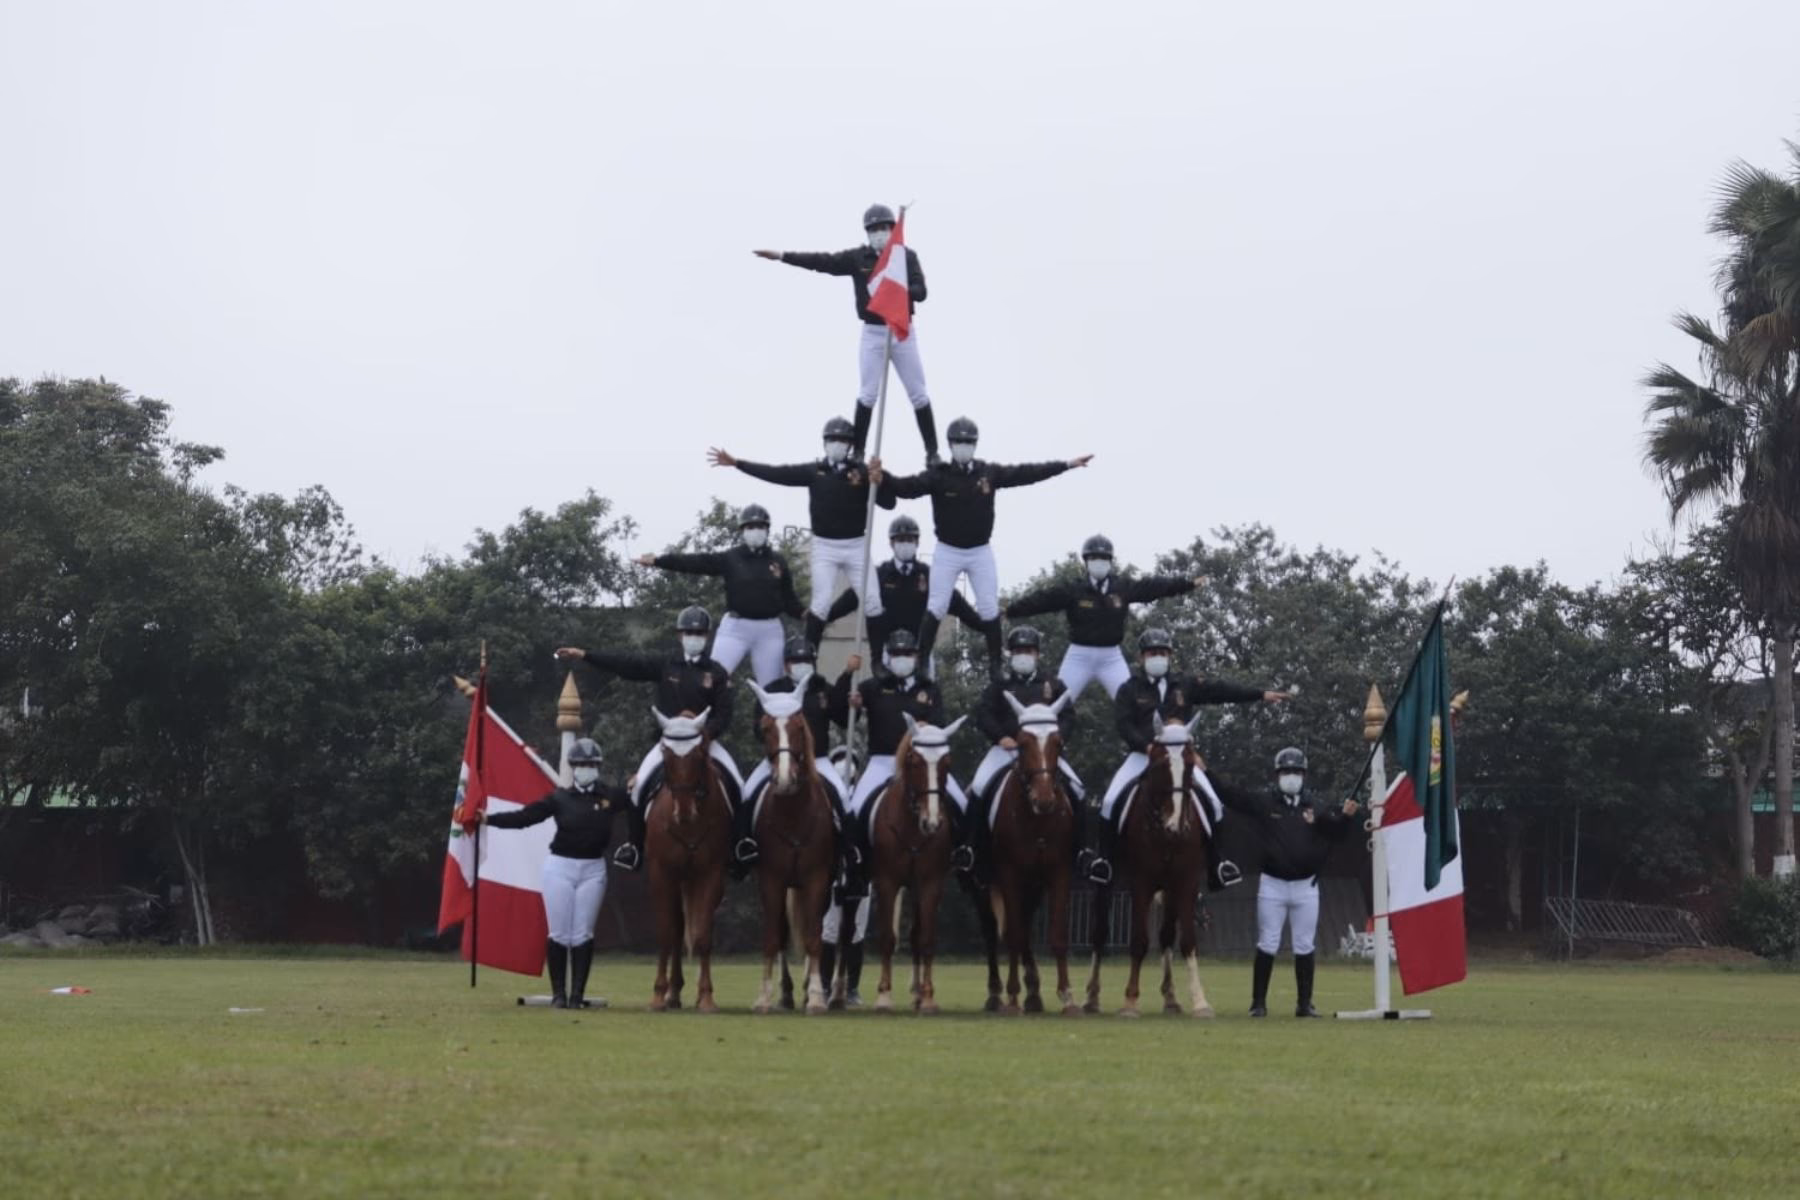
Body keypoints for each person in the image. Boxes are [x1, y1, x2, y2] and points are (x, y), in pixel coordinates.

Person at [875, 417, 1092, 675]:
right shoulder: (940, 475)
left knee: (989, 607)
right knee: (937, 605)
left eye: (968, 442)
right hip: (948, 550)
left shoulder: (988, 473)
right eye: (959, 442)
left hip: (979, 550)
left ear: (975, 445)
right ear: (950, 445)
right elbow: (906, 488)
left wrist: (1066, 465)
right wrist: (883, 476)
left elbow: (1026, 474)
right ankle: (922, 660)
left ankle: (996, 665)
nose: (963, 447)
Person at [1088, 628, 1290, 886]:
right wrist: (1146, 746)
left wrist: (1260, 694)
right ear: (1141, 658)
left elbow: (1221, 690)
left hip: (1180, 758)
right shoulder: (1129, 688)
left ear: (1170, 656)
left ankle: (1219, 862)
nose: (1158, 657)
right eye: (1152, 653)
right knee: (1109, 801)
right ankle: (1104, 861)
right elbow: (1124, 725)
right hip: (1144, 755)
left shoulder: (1184, 684)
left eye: (1162, 653)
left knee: (1214, 804)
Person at [554, 606, 743, 872]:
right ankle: (634, 847)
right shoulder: (666, 665)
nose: (694, 636)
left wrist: (706, 734)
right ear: (680, 635)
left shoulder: (717, 672)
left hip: (704, 744)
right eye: (689, 632)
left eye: (699, 632)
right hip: (667, 744)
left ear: (707, 636)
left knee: (739, 786)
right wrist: (586, 655)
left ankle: (739, 846)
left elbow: (724, 713)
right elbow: (628, 664)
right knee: (638, 788)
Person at [753, 204, 937, 462]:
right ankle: (859, 452)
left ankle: (932, 453)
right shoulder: (857, 258)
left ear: (892, 230)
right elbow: (823, 262)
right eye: (874, 230)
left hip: (901, 330)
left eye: (884, 228)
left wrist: (899, 287)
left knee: (918, 393)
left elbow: (922, 292)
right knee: (868, 393)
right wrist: (782, 256)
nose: (879, 234)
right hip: (873, 332)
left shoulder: (905, 257)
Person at [706, 420, 895, 651]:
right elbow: (777, 473)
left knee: (873, 602)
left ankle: (878, 661)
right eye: (833, 440)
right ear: (825, 443)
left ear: (850, 445)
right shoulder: (813, 471)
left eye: (843, 440)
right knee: (821, 604)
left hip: (856, 545)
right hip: (825, 547)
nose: (837, 444)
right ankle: (808, 657)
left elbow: (889, 503)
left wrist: (880, 480)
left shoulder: (862, 471)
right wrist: (738, 464)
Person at [481, 738, 625, 1009]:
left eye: (591, 764)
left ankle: (577, 995)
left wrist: (637, 782)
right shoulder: (559, 798)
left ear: (598, 766)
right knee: (559, 933)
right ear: (573, 767)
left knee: (583, 933)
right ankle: (559, 993)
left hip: (593, 868)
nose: (586, 768)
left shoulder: (611, 796)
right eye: (581, 764)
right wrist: (489, 819)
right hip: (561, 867)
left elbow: (638, 808)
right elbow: (525, 818)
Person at [1217, 747, 1359, 1018]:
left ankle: (1304, 1004)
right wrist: (1205, 773)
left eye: (1296, 772)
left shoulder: (1315, 806)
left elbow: (1337, 833)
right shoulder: (1264, 803)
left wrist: (1348, 817)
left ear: (1304, 775)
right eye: (1286, 772)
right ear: (1277, 775)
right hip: (1272, 885)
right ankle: (1258, 1004)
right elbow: (1234, 797)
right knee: (1268, 941)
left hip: (1306, 887)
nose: (1291, 776)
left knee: (1305, 944)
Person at [831, 629, 973, 873]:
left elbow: (938, 722)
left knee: (960, 802)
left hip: (924, 762)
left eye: (906, 653)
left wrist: (924, 726)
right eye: (896, 653)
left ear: (916, 657)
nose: (902, 657)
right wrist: (847, 679)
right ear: (888, 656)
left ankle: (964, 853)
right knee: (854, 808)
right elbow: (840, 717)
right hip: (881, 762)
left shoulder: (929, 688)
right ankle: (854, 861)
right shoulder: (872, 687)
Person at [1004, 534, 1207, 701]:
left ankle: (1146, 748)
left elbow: (1153, 587)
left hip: (1111, 657)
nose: (1098, 562)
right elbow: (1042, 600)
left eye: (1103, 558)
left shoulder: (1122, 588)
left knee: (1132, 702)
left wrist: (1186, 584)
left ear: (1110, 561)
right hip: (1078, 655)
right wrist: (1010, 610)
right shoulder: (1074, 590)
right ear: (1086, 561)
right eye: (1094, 558)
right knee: (1059, 704)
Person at [632, 504, 804, 685]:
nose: (755, 530)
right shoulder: (731, 558)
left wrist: (805, 614)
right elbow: (696, 562)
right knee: (711, 680)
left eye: (760, 526)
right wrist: (659, 561)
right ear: (742, 530)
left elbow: (789, 599)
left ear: (767, 530)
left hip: (769, 631)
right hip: (736, 628)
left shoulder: (778, 561)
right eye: (750, 527)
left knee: (773, 689)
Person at [967, 626, 1084, 876]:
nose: (1023, 655)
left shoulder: (1053, 683)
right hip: (1005, 750)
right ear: (1011, 654)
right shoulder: (1000, 684)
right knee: (978, 787)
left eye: (1028, 650)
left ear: (1037, 654)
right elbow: (983, 714)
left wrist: (1058, 738)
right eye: (1018, 651)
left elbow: (1069, 716)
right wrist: (1001, 737)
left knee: (1078, 789)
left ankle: (1082, 852)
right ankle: (971, 849)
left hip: (1044, 754)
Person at [735, 637, 855, 868]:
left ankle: (850, 856)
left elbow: (843, 718)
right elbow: (757, 730)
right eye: (796, 660)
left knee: (843, 799)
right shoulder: (772, 691)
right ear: (786, 665)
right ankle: (742, 847)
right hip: (776, 760)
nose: (802, 664)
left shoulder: (822, 689)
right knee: (747, 795)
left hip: (817, 760)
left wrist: (848, 682)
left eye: (807, 660)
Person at [822, 513, 982, 676]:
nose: (905, 543)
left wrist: (987, 623)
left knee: (924, 696)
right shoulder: (879, 576)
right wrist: (820, 616)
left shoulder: (930, 577)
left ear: (917, 542)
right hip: (888, 653)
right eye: (900, 539)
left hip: (919, 654)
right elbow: (849, 599)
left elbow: (958, 605)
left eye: (909, 539)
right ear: (891, 542)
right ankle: (878, 666)